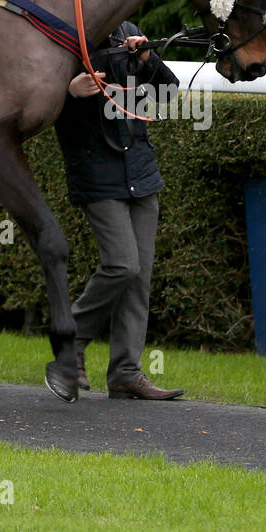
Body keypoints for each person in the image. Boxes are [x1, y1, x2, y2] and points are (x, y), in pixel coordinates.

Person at [55, 20, 184, 400]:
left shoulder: (126, 30)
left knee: (138, 276)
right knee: (122, 265)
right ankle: (69, 341)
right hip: (96, 174)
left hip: (141, 174)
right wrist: (70, 94)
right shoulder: (65, 35)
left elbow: (168, 92)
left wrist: (147, 59)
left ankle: (126, 373)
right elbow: (37, 106)